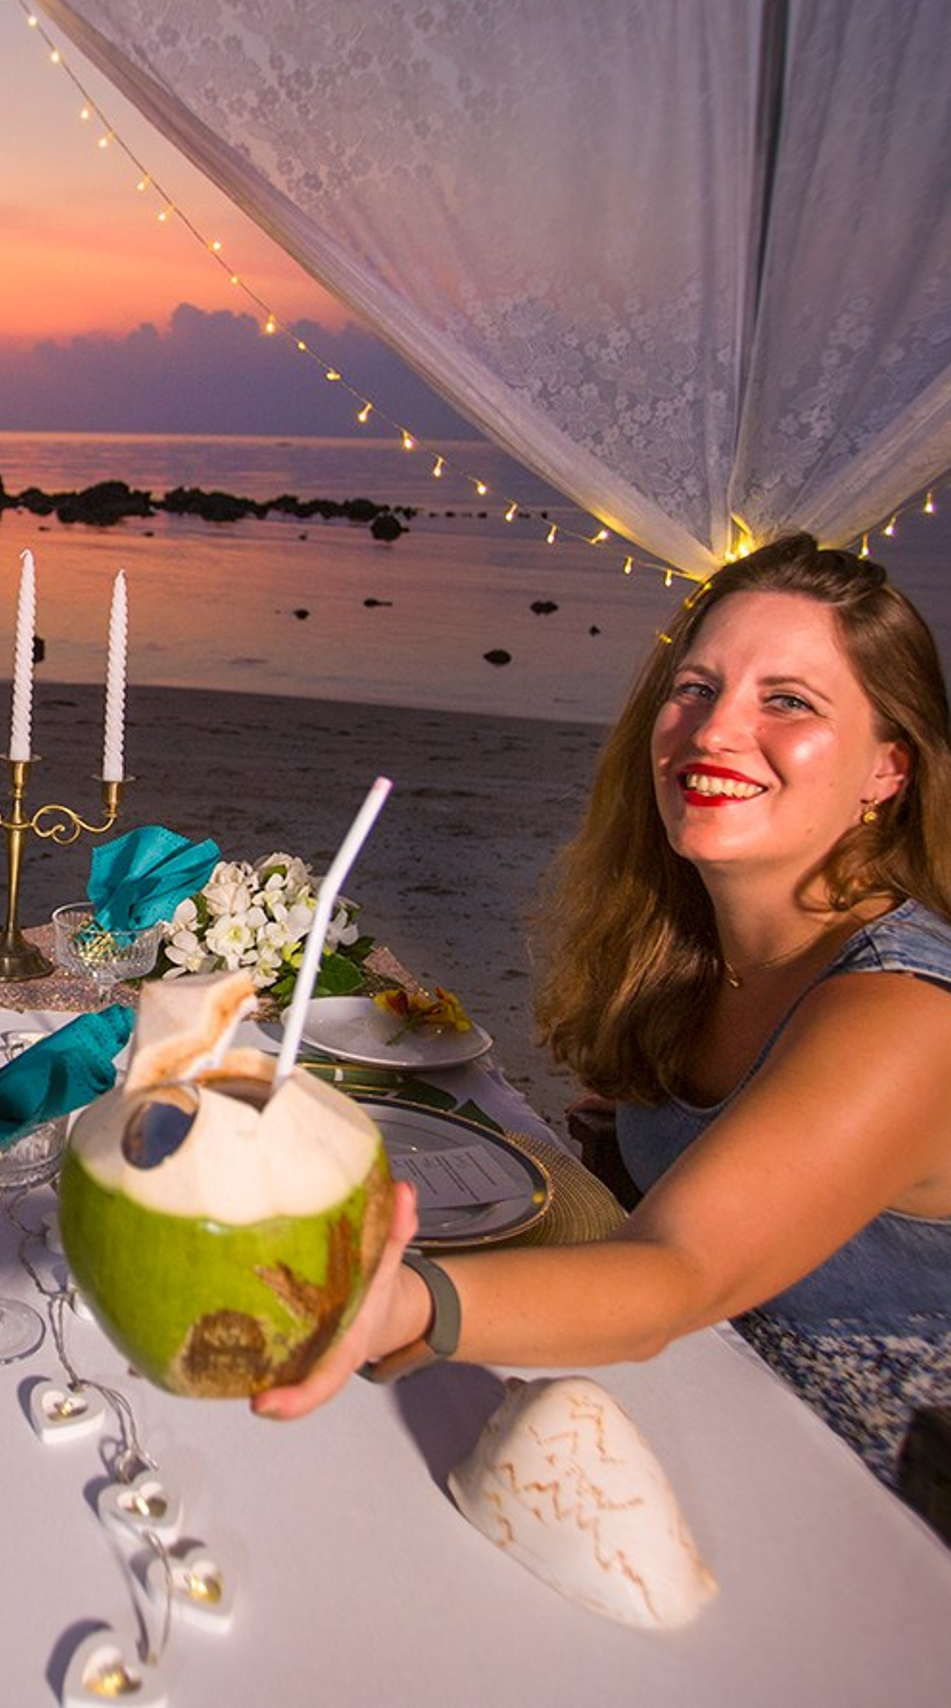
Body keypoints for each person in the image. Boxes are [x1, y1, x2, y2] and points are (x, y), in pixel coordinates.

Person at [257, 533, 951, 1487]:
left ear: (888, 769)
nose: (713, 732)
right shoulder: (691, 950)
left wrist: (403, 1306)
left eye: (788, 702)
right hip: (685, 1404)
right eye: (696, 688)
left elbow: (679, 1271)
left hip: (868, 1490)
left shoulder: (907, 1009)